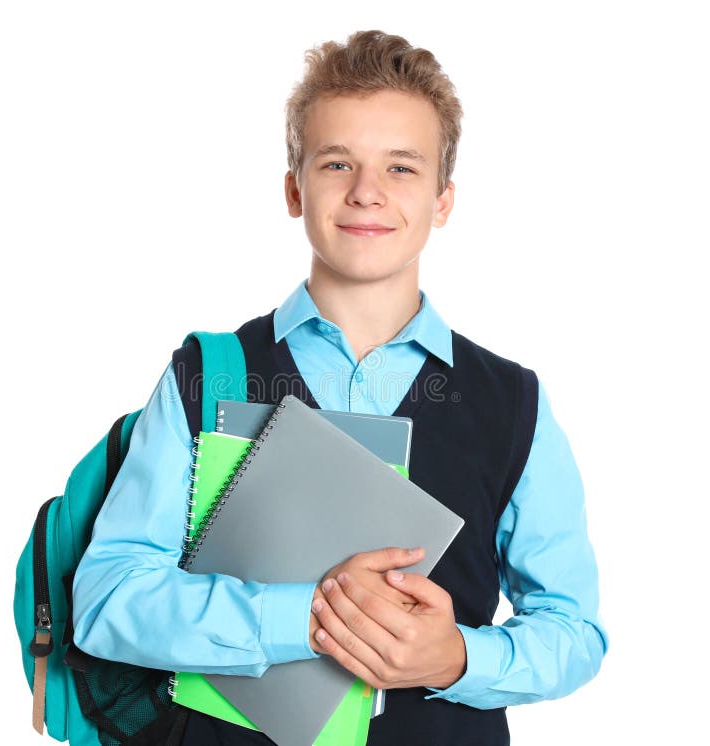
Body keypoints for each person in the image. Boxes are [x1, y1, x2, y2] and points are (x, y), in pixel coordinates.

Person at [72, 29, 607, 745]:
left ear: (444, 200)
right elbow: (108, 599)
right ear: (296, 189)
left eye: (402, 168)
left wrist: (459, 658)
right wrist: (309, 620)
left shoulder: (513, 405)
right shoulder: (206, 377)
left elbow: (576, 630)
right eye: (337, 163)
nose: (366, 192)